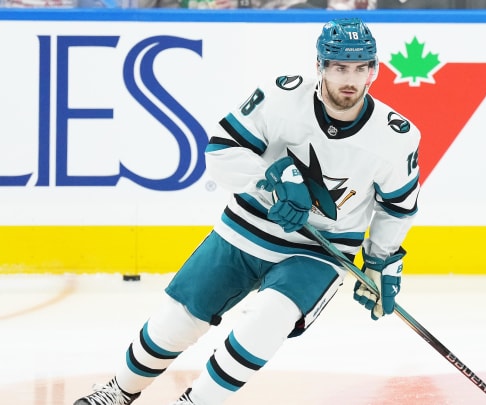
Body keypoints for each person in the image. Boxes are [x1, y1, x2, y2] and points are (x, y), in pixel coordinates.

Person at [73, 17, 421, 405]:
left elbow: (397, 208)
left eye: (360, 68)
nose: (350, 79)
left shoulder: (396, 137)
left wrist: (379, 261)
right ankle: (118, 392)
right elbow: (220, 150)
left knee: (268, 319)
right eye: (340, 67)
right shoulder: (280, 97)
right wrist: (271, 184)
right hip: (246, 227)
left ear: (374, 70)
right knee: (178, 319)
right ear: (320, 66)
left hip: (319, 251)